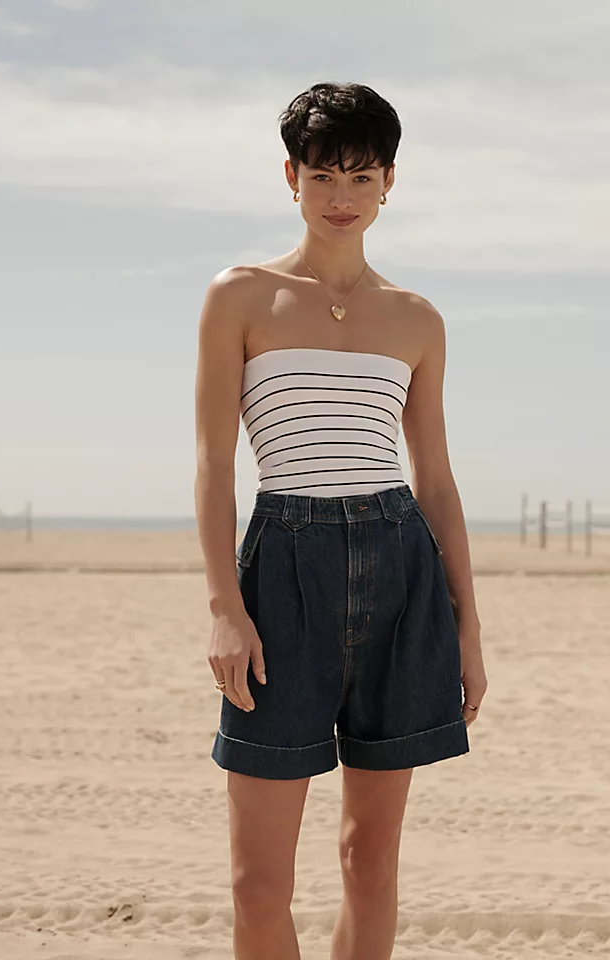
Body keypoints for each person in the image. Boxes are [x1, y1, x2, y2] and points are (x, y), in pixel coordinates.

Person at [195, 80, 487, 960]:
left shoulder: (417, 319)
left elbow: (434, 480)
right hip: (281, 567)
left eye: (361, 177)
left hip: (402, 567)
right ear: (291, 176)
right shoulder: (240, 296)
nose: (341, 197)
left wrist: (467, 624)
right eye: (323, 175)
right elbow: (213, 461)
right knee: (258, 880)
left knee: (370, 856)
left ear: (389, 182)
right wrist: (223, 603)